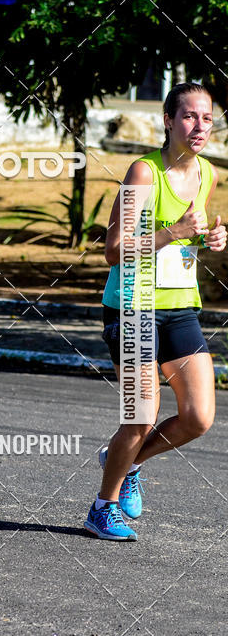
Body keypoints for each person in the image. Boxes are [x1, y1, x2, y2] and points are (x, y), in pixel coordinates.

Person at [86, 82, 226, 540]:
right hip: (131, 307)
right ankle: (102, 508)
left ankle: (127, 461)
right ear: (168, 121)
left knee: (198, 417)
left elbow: (192, 234)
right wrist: (173, 230)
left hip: (181, 306)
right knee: (142, 414)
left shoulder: (208, 173)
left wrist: (209, 239)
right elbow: (113, 250)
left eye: (207, 117)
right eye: (189, 116)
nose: (199, 126)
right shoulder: (144, 173)